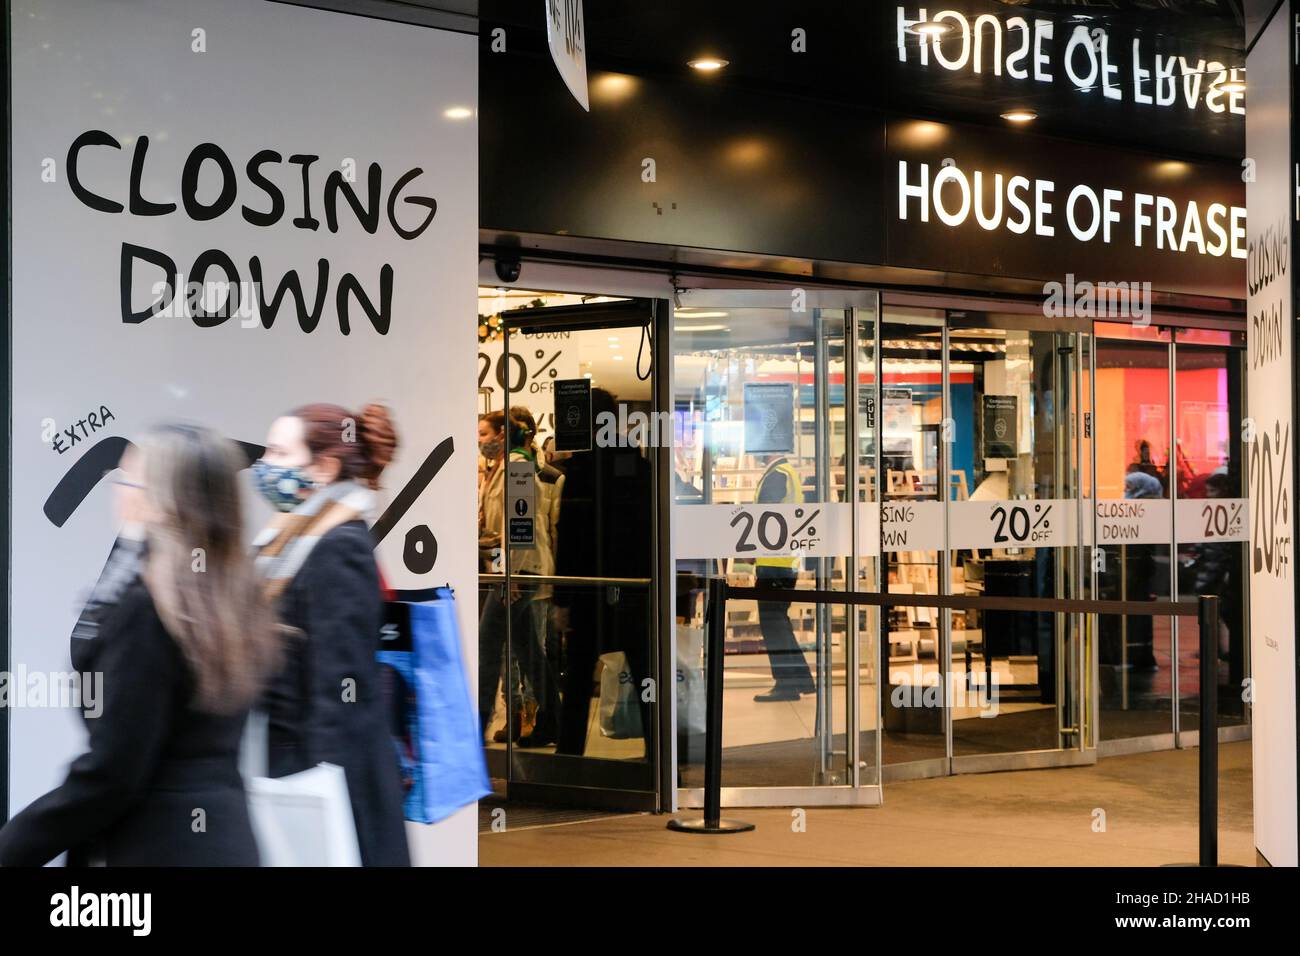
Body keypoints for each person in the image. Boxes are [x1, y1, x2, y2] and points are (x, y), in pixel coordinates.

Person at [0, 424, 281, 866]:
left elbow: (113, 774)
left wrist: (13, 846)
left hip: (154, 846)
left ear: (159, 501)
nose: (120, 493)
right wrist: (135, 539)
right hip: (223, 842)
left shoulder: (149, 611)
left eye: (130, 482)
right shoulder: (233, 599)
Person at [251, 402, 410, 867]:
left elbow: (340, 691)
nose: (265, 465)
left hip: (325, 787)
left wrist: (317, 798)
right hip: (291, 772)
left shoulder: (337, 545)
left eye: (280, 453)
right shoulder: (290, 538)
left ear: (323, 467)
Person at [553, 388, 654, 756]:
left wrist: (563, 598)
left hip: (588, 590)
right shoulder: (638, 465)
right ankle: (658, 755)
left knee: (578, 678)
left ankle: (568, 759)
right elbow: (649, 532)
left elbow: (570, 537)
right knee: (645, 672)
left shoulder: (579, 469)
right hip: (633, 588)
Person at [477, 411, 547, 742]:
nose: (480, 441)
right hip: (509, 571)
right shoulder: (500, 469)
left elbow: (519, 527)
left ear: (502, 434)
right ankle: (554, 720)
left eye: (483, 433)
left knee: (488, 645)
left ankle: (476, 725)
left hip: (517, 573)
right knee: (528, 650)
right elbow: (498, 529)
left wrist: (509, 574)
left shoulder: (517, 466)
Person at [510, 406, 565, 748]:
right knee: (517, 646)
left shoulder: (545, 475)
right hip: (513, 570)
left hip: (530, 571)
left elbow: (535, 529)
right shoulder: (500, 470)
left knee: (531, 646)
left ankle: (536, 714)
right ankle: (523, 713)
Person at [751, 452, 816, 702]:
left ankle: (787, 685)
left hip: (774, 563)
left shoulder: (777, 475)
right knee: (779, 623)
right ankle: (798, 681)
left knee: (774, 624)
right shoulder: (786, 473)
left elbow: (765, 519)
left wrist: (749, 546)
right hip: (783, 561)